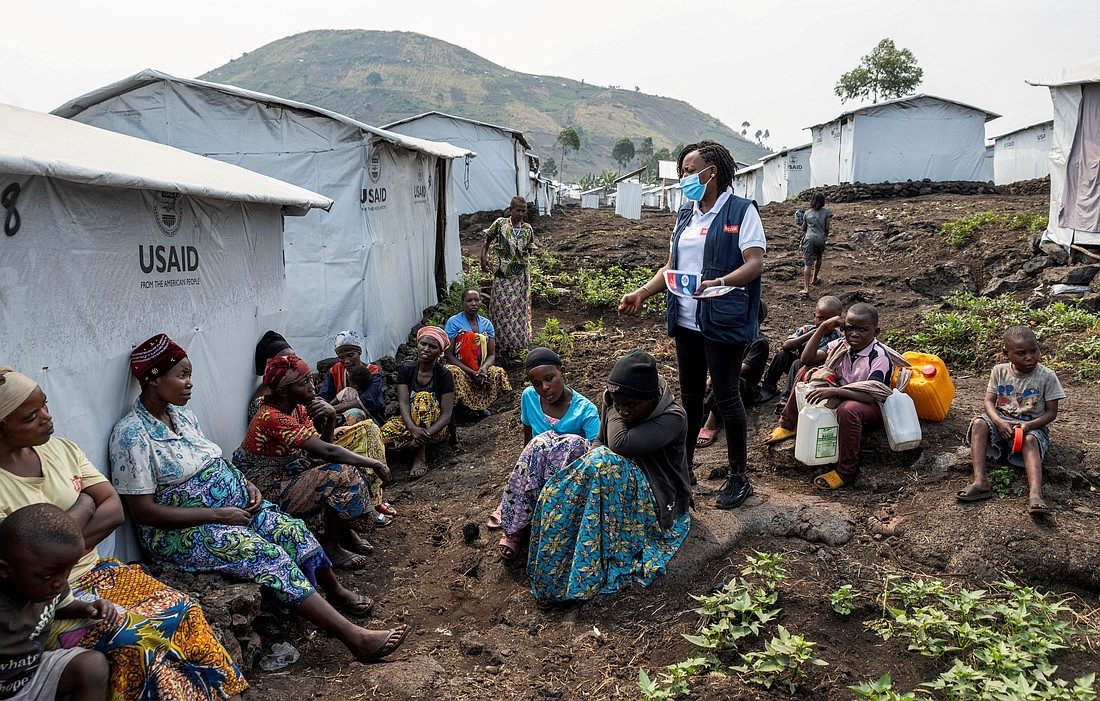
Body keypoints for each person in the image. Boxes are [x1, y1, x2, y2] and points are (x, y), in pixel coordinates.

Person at [109, 336, 408, 663]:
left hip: (235, 506)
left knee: (293, 531)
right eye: (182, 376)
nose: (190, 383)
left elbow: (217, 463)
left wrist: (247, 485)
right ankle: (356, 639)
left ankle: (333, 593)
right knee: (267, 555)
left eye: (190, 374)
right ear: (152, 379)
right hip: (183, 531)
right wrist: (218, 515)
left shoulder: (184, 418)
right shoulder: (132, 435)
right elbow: (143, 512)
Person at [0, 366, 248, 699]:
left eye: (44, 405)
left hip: (99, 572)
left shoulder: (61, 450)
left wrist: (61, 539)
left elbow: (114, 510)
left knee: (183, 610)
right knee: (134, 642)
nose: (46, 417)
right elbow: (42, 549)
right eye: (31, 416)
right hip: (45, 595)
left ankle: (224, 693)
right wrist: (85, 503)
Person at [620, 140, 766, 509]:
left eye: (688, 171)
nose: (683, 178)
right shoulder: (686, 215)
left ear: (710, 172)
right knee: (689, 399)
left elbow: (754, 263)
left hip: (722, 318)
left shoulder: (740, 211)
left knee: (727, 395)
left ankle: (738, 477)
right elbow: (671, 266)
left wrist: (720, 282)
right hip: (687, 320)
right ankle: (685, 470)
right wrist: (642, 292)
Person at [527, 350, 691, 603]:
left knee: (604, 464)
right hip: (619, 485)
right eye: (618, 403)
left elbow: (619, 443)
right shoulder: (617, 400)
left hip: (657, 494)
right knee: (570, 477)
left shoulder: (673, 417)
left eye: (631, 405)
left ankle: (586, 570)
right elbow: (600, 442)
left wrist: (612, 404)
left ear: (651, 399)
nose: (623, 411)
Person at [233, 352, 393, 570]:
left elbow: (320, 451)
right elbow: (326, 451)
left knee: (345, 467)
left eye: (309, 379)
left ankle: (343, 533)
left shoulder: (297, 409)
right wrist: (373, 463)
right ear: (283, 390)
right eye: (304, 382)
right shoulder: (271, 417)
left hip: (287, 472)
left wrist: (328, 418)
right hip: (265, 488)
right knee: (342, 473)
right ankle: (331, 545)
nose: (312, 387)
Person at [765, 303, 910, 490]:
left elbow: (870, 395)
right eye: (850, 328)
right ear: (843, 328)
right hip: (846, 392)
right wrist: (823, 328)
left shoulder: (878, 356)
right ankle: (788, 423)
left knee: (848, 409)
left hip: (873, 408)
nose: (855, 334)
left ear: (876, 332)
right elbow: (807, 359)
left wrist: (834, 391)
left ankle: (846, 471)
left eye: (863, 329)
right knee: (807, 370)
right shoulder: (842, 345)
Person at [490, 348, 601, 560]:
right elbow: (527, 442)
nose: (545, 388)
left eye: (549, 379)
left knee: (571, 442)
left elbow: (596, 452)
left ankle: (550, 523)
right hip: (536, 473)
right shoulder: (529, 398)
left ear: (562, 371)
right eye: (537, 384)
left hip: (567, 478)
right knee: (538, 443)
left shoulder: (585, 410)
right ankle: (516, 529)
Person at [0, 504, 113, 701]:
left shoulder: (48, 588)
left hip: (30, 676)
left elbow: (62, 606)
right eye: (49, 575)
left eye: (67, 571)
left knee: (92, 666)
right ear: (4, 570)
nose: (61, 582)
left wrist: (88, 608)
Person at [956, 326, 1064, 514]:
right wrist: (998, 421)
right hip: (1001, 422)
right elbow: (989, 402)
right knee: (979, 423)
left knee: (1030, 440)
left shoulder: (1047, 376)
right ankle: (980, 481)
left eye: (1033, 351)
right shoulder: (999, 371)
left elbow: (1051, 413)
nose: (1029, 357)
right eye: (1021, 353)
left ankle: (1035, 494)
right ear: (1007, 353)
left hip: (1032, 426)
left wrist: (1028, 425)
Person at [379, 327, 455, 480]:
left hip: (435, 429)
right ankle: (404, 450)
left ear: (440, 352)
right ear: (418, 345)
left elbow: (446, 415)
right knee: (382, 436)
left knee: (423, 398)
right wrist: (413, 429)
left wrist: (424, 434)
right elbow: (404, 404)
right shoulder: (406, 370)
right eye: (423, 344)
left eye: (432, 346)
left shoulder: (444, 375)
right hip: (410, 425)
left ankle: (419, 455)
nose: (426, 349)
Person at [697, 302, 771, 449]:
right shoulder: (736, 337)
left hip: (747, 387)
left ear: (759, 321)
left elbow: (744, 368)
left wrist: (718, 376)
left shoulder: (760, 342)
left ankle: (710, 423)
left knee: (730, 381)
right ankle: (699, 418)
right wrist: (712, 377)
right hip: (728, 378)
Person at [758, 295, 844, 405]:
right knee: (782, 355)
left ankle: (787, 398)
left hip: (817, 373)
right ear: (814, 316)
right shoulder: (807, 329)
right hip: (797, 368)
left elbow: (809, 360)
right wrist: (811, 334)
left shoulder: (838, 338)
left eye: (829, 320)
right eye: (821, 318)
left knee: (798, 363)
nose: (824, 324)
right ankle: (769, 387)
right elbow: (787, 346)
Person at [443, 288, 512, 417]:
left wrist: (484, 368)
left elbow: (491, 354)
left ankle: (482, 406)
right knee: (453, 373)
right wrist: (470, 372)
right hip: (461, 367)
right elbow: (449, 355)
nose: (473, 303)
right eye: (469, 300)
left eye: (477, 300)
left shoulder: (486, 324)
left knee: (498, 372)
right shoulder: (454, 322)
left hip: (480, 368)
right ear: (462, 303)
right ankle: (460, 409)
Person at [481, 196, 535, 359]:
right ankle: (497, 345)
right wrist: (483, 259)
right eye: (517, 210)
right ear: (510, 209)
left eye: (523, 211)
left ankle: (516, 346)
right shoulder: (500, 223)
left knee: (518, 310)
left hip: (520, 275)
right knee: (500, 308)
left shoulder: (527, 229)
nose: (520, 213)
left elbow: (530, 250)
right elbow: (487, 240)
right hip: (502, 274)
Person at [319, 331, 385, 426]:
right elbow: (324, 395)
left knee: (354, 414)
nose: (346, 361)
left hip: (369, 419)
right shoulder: (335, 371)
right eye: (341, 357)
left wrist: (331, 409)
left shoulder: (373, 371)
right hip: (337, 417)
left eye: (350, 355)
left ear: (359, 352)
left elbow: (368, 400)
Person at [248, 330, 295, 421]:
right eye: (283, 362)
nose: (292, 364)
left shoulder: (286, 390)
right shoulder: (261, 403)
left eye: (293, 358)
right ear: (269, 367)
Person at [799, 193, 832, 295]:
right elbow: (827, 228)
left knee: (808, 263)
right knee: (819, 257)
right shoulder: (827, 212)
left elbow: (803, 228)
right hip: (821, 239)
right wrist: (824, 236)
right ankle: (815, 278)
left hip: (809, 239)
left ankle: (806, 288)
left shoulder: (807, 213)